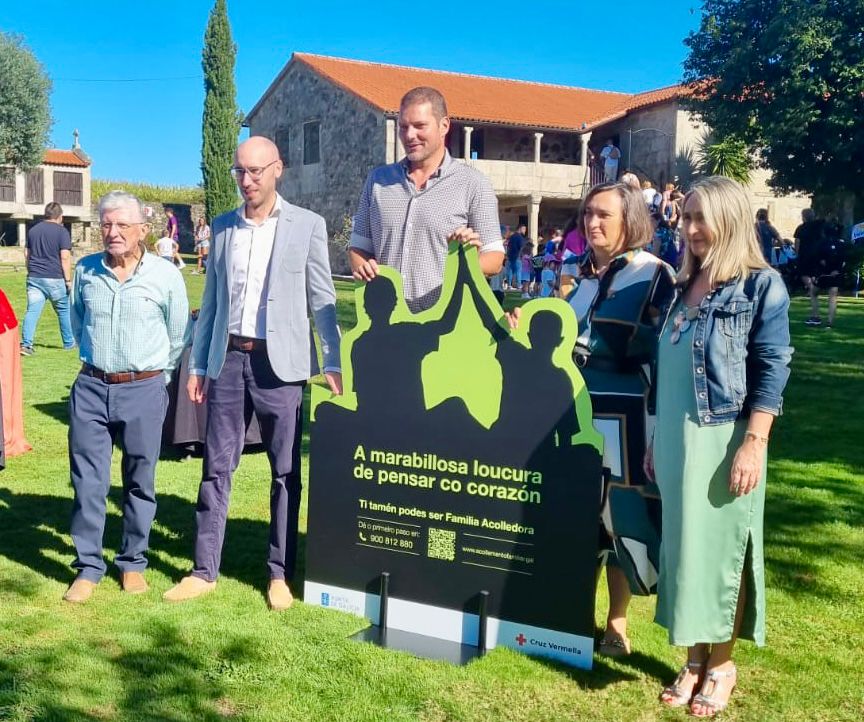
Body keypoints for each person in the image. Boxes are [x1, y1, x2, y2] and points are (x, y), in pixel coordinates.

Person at [163, 136, 342, 611]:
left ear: (278, 169)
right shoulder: (223, 227)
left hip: (281, 367)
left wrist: (332, 359)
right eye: (240, 171)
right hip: (228, 361)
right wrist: (198, 364)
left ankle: (279, 573)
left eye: (256, 171)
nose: (247, 180)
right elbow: (213, 302)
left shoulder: (307, 225)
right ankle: (204, 571)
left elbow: (323, 299)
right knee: (216, 468)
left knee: (285, 472)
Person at [645, 176, 792, 716]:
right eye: (685, 218)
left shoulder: (760, 286)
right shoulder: (683, 284)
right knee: (684, 552)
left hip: (724, 437)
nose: (688, 229)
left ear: (728, 221)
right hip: (677, 438)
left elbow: (773, 368)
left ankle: (721, 664)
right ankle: (693, 657)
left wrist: (754, 442)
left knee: (722, 554)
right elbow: (668, 369)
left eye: (699, 218)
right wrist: (657, 434)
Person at [560, 182, 676, 658]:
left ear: (630, 219)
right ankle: (574, 616)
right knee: (578, 517)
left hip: (630, 420)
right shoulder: (579, 277)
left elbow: (668, 354)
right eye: (588, 213)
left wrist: (660, 428)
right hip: (574, 415)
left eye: (603, 214)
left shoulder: (655, 275)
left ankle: (617, 624)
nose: (592, 223)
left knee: (621, 520)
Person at [63, 191, 189, 603]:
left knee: (140, 480)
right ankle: (88, 566)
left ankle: (132, 562)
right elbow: (78, 322)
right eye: (106, 224)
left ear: (143, 230)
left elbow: (178, 335)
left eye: (121, 225)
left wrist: (157, 379)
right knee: (88, 482)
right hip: (91, 387)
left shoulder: (165, 275)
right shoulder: (86, 271)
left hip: (144, 388)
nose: (112, 232)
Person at [349, 86, 504, 312]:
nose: (409, 135)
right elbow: (358, 248)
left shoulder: (474, 184)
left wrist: (461, 264)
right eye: (403, 127)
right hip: (386, 320)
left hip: (445, 321)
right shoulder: (377, 181)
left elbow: (494, 258)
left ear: (444, 126)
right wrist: (364, 269)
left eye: (419, 126)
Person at [20, 202, 76, 356]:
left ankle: (26, 344)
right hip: (55, 277)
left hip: (35, 277)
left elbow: (27, 253)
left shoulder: (33, 230)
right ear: (60, 216)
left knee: (32, 311)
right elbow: (65, 257)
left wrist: (30, 270)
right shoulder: (62, 232)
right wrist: (68, 280)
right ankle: (69, 343)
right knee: (63, 310)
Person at [793, 208, 827, 325]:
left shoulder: (801, 228)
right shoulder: (819, 227)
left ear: (803, 216)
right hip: (817, 258)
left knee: (808, 283)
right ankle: (814, 289)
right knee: (812, 281)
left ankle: (815, 315)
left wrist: (797, 256)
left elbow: (797, 244)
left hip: (805, 258)